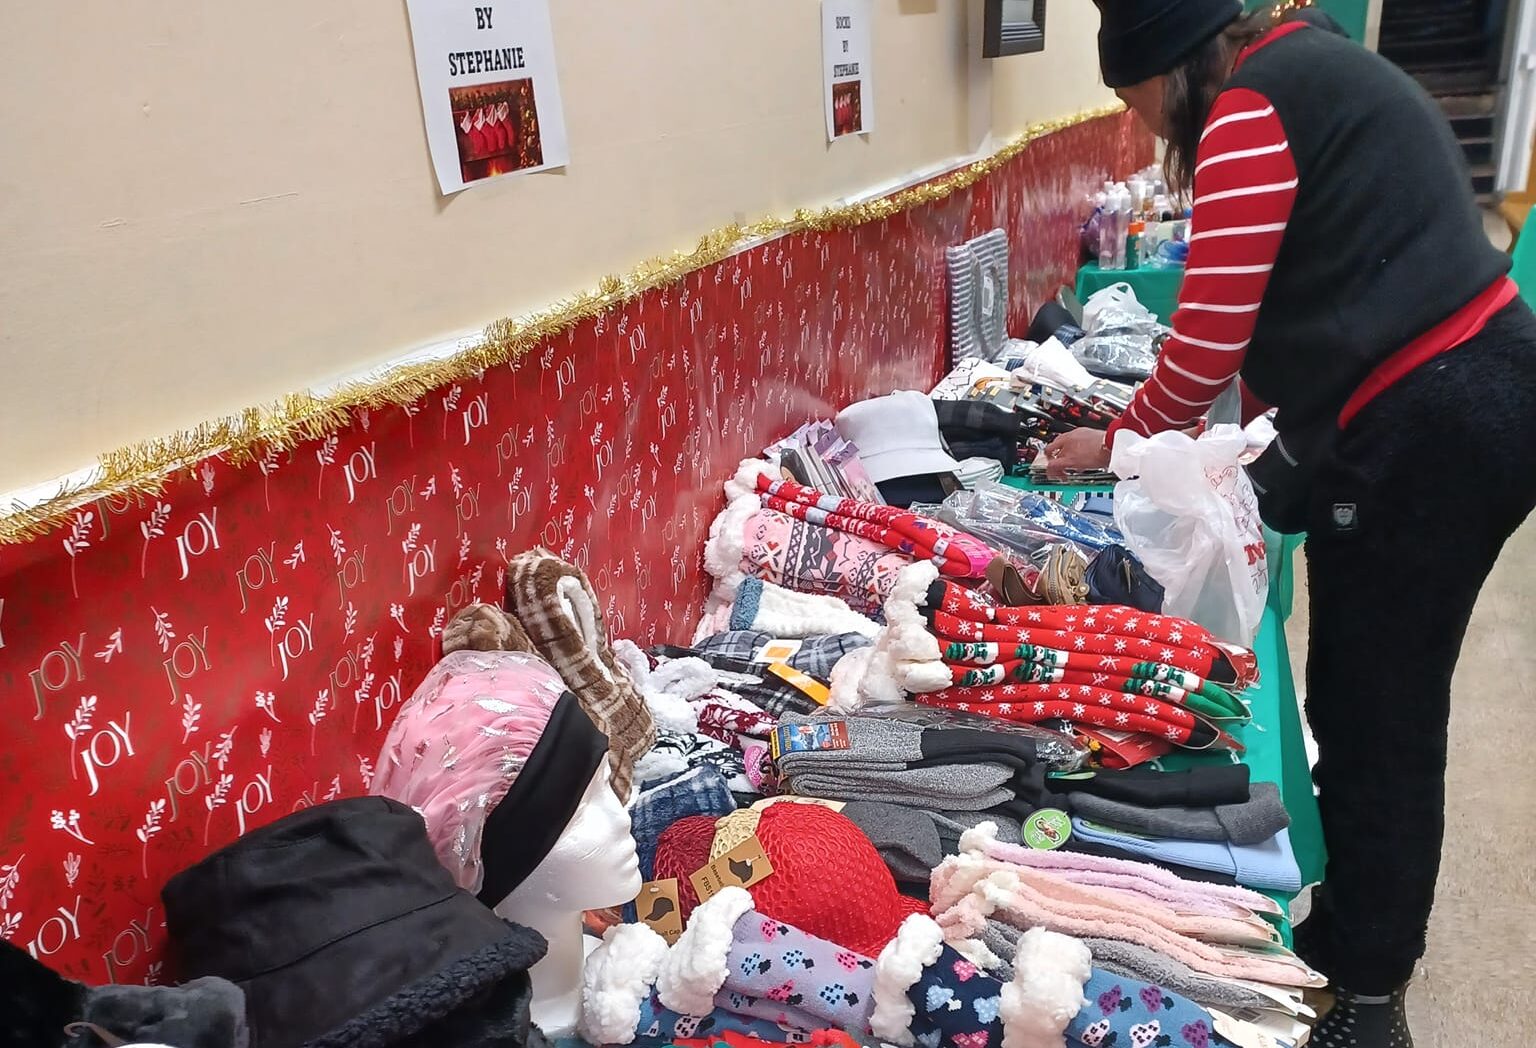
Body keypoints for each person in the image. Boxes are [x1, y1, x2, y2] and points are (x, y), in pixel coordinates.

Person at [1045, 3, 1536, 1046]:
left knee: (1379, 715)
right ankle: (1353, 945)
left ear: (1167, 68)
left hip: (1435, 414)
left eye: (1129, 97)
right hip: (1458, 396)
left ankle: (1365, 998)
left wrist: (1124, 441)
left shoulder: (1251, 107)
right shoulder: (1301, 68)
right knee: (1370, 699)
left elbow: (1210, 334)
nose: (1134, 123)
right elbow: (1281, 310)